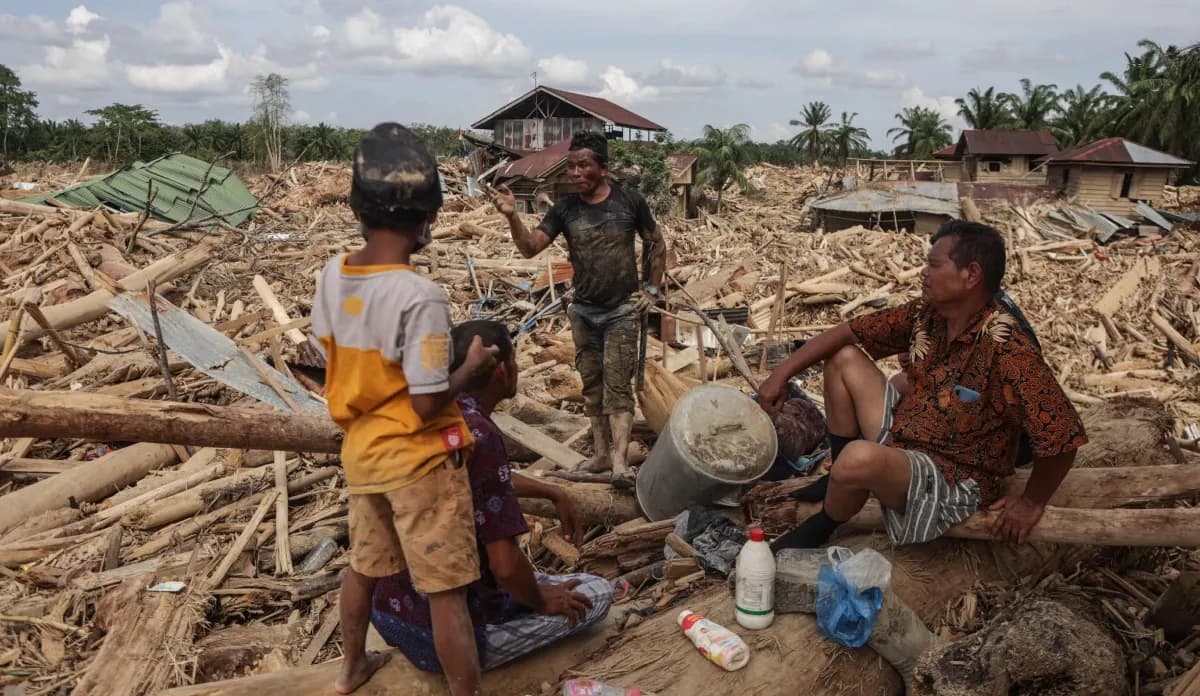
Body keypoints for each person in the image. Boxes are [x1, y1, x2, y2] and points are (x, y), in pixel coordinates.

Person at [757, 220, 1087, 549]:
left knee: (859, 458)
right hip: (907, 438)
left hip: (951, 479)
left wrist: (1031, 502)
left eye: (934, 265)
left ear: (970, 275)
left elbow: (1062, 434)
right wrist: (780, 374)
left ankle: (828, 519)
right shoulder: (926, 315)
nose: (923, 273)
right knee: (843, 358)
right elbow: (847, 332)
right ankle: (840, 478)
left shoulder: (1007, 347)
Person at [311, 123, 500, 695]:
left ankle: (350, 668)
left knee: (364, 569)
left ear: (358, 210)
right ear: (429, 218)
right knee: (446, 591)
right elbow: (424, 401)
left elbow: (328, 349)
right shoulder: (420, 296)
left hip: (363, 454)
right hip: (420, 463)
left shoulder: (333, 273)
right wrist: (470, 371)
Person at [371, 320, 613, 672]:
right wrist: (541, 601)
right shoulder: (480, 434)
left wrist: (549, 491)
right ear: (501, 370)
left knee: (535, 581)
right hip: (438, 634)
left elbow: (481, 480)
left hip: (389, 609)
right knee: (596, 593)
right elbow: (503, 565)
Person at [492, 131, 667, 475]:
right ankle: (601, 455)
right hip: (584, 311)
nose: (574, 173)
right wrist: (513, 216)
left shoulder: (629, 202)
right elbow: (530, 248)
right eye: (571, 166)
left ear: (603, 168)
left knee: (618, 385)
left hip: (621, 310)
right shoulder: (566, 208)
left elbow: (656, 243)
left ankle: (619, 462)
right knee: (591, 386)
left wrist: (651, 290)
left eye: (583, 165)